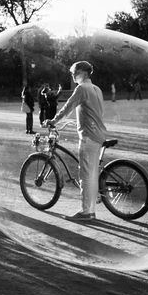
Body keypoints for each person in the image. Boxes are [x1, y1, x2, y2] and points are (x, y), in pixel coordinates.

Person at [47, 61, 108, 220]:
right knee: (92, 174)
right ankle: (90, 210)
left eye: (75, 72)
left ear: (83, 72)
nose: (73, 75)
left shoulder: (82, 88)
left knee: (85, 175)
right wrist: (78, 122)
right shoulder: (96, 88)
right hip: (98, 134)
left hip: (88, 137)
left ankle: (86, 212)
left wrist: (53, 121)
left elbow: (68, 107)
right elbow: (94, 113)